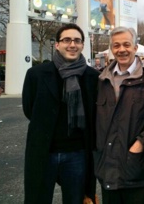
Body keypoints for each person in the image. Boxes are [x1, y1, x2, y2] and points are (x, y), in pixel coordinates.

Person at [22, 24, 99, 204]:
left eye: (77, 41)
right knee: (39, 198)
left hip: (77, 153)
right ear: (57, 44)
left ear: (82, 45)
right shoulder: (36, 74)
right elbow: (29, 109)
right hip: (44, 151)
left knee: (76, 199)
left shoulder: (92, 76)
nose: (72, 44)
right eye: (67, 40)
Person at [94, 27, 144, 204]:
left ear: (135, 47)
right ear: (111, 49)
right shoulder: (102, 79)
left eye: (126, 44)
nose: (121, 49)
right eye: (116, 45)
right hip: (108, 167)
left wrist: (141, 143)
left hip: (139, 168)